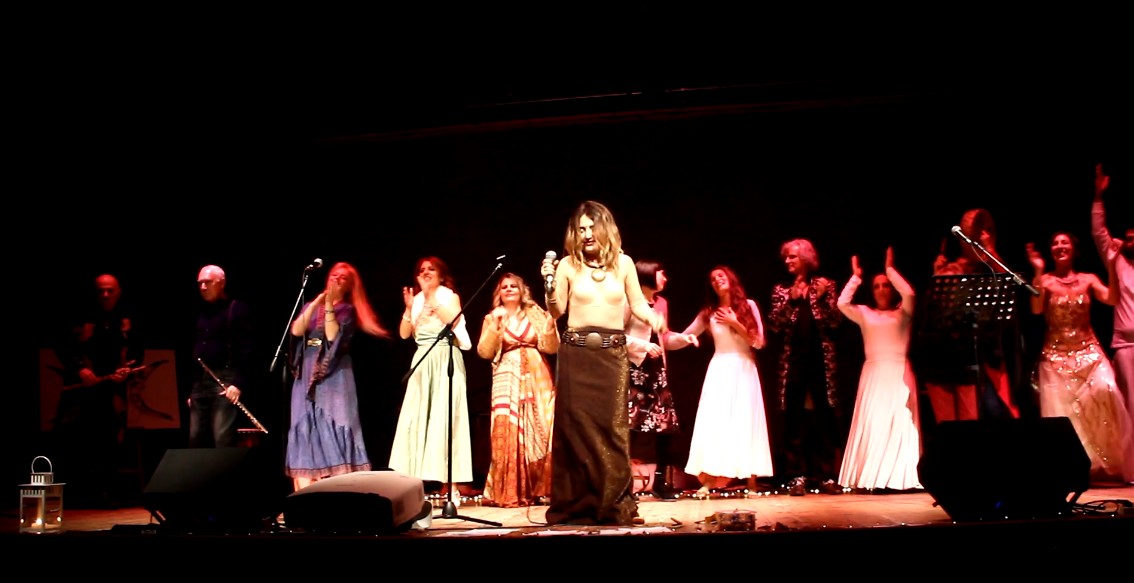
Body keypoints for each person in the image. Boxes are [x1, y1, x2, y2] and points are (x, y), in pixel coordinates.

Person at [540, 200, 666, 526]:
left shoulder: (623, 264)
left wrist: (654, 318)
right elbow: (557, 310)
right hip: (577, 354)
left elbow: (638, 303)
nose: (586, 234)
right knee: (576, 432)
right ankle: (575, 506)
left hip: (611, 356)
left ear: (605, 228)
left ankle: (615, 504)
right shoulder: (568, 266)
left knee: (613, 432)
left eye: (591, 227)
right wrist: (549, 285)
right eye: (580, 229)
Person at [1027, 231, 1134, 484]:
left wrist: (1111, 265)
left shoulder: (1088, 279)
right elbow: (1036, 309)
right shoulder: (1046, 281)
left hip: (1089, 353)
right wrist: (1038, 271)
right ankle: (1071, 468)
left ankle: (1112, 463)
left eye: (1064, 242)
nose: (1060, 246)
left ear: (1074, 250)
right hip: (1055, 356)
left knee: (1107, 391)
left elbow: (1112, 298)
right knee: (1063, 414)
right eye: (1055, 243)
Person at [667, 265, 773, 499]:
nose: (717, 281)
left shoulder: (749, 306)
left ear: (731, 279)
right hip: (720, 368)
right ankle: (708, 480)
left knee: (746, 421)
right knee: (714, 422)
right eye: (713, 279)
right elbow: (686, 335)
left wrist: (735, 322)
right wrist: (673, 337)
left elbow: (758, 342)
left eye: (721, 276)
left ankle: (751, 481)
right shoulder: (709, 313)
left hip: (744, 368)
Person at [921, 208, 1031, 423]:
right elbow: (934, 313)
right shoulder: (951, 270)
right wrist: (936, 276)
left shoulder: (988, 271)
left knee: (987, 415)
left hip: (980, 358)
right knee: (952, 424)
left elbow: (1009, 286)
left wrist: (991, 251)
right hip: (947, 359)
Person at [285, 261, 388, 491]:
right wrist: (317, 303)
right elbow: (296, 330)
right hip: (307, 371)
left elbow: (333, 337)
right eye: (334, 275)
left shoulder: (347, 310)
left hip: (334, 375)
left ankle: (339, 491)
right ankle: (306, 492)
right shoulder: (311, 305)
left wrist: (330, 306)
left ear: (349, 286)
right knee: (305, 425)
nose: (337, 279)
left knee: (333, 422)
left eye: (343, 278)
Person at [835, 248, 923, 493]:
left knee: (900, 423)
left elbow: (909, 293)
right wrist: (855, 277)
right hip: (873, 375)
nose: (882, 289)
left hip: (898, 372)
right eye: (877, 286)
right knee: (875, 424)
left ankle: (901, 478)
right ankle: (873, 478)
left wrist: (890, 270)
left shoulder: (904, 312)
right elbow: (842, 303)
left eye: (886, 285)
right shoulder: (865, 313)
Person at [53, 273, 144, 506]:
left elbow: (136, 351)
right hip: (81, 391)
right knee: (79, 439)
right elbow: (63, 347)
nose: (105, 294)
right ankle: (79, 493)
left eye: (110, 290)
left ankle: (108, 492)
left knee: (111, 439)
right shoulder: (79, 317)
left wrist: (126, 369)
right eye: (101, 290)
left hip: (112, 390)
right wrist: (80, 369)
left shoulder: (126, 320)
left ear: (118, 292)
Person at [390, 256, 474, 503]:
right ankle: (413, 486)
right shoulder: (416, 300)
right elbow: (404, 334)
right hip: (422, 360)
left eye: (431, 269)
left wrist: (430, 296)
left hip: (445, 358)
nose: (426, 272)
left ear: (441, 274)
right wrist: (409, 309)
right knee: (416, 418)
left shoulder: (449, 296)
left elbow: (453, 320)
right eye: (422, 270)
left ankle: (452, 486)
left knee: (446, 418)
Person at [475, 272, 559, 508]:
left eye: (514, 286)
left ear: (522, 291)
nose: (509, 289)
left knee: (543, 428)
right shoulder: (492, 317)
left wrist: (550, 329)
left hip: (536, 373)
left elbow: (551, 348)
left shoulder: (535, 313)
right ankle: (510, 489)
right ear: (499, 293)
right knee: (508, 428)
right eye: (505, 287)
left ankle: (540, 487)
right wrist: (495, 327)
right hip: (507, 375)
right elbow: (484, 352)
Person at [768, 238, 844, 496]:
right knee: (794, 419)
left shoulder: (825, 285)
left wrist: (820, 300)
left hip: (821, 361)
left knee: (824, 417)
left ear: (806, 259)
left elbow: (835, 322)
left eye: (793, 256)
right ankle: (795, 475)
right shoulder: (781, 289)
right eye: (786, 257)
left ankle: (825, 475)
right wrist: (791, 301)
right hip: (793, 361)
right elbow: (774, 325)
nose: (787, 261)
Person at [624, 259, 683, 500]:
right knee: (630, 427)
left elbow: (664, 338)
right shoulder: (628, 302)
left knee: (665, 427)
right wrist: (643, 346)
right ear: (648, 275)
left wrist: (684, 339)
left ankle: (660, 481)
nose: (665, 278)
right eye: (661, 273)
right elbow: (617, 336)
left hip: (656, 370)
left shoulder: (661, 304)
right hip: (634, 369)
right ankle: (623, 483)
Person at [1092, 163, 1134, 472]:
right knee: (1131, 407)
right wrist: (1098, 197)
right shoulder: (1117, 261)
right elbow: (1099, 233)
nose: (1130, 242)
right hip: (1126, 347)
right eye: (1127, 238)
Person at [189, 265, 254, 448]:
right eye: (200, 283)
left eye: (208, 282)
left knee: (222, 437)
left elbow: (247, 350)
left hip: (224, 380)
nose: (203, 287)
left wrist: (238, 384)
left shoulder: (237, 309)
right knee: (195, 438)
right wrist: (192, 390)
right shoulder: (199, 312)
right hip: (200, 381)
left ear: (221, 283)